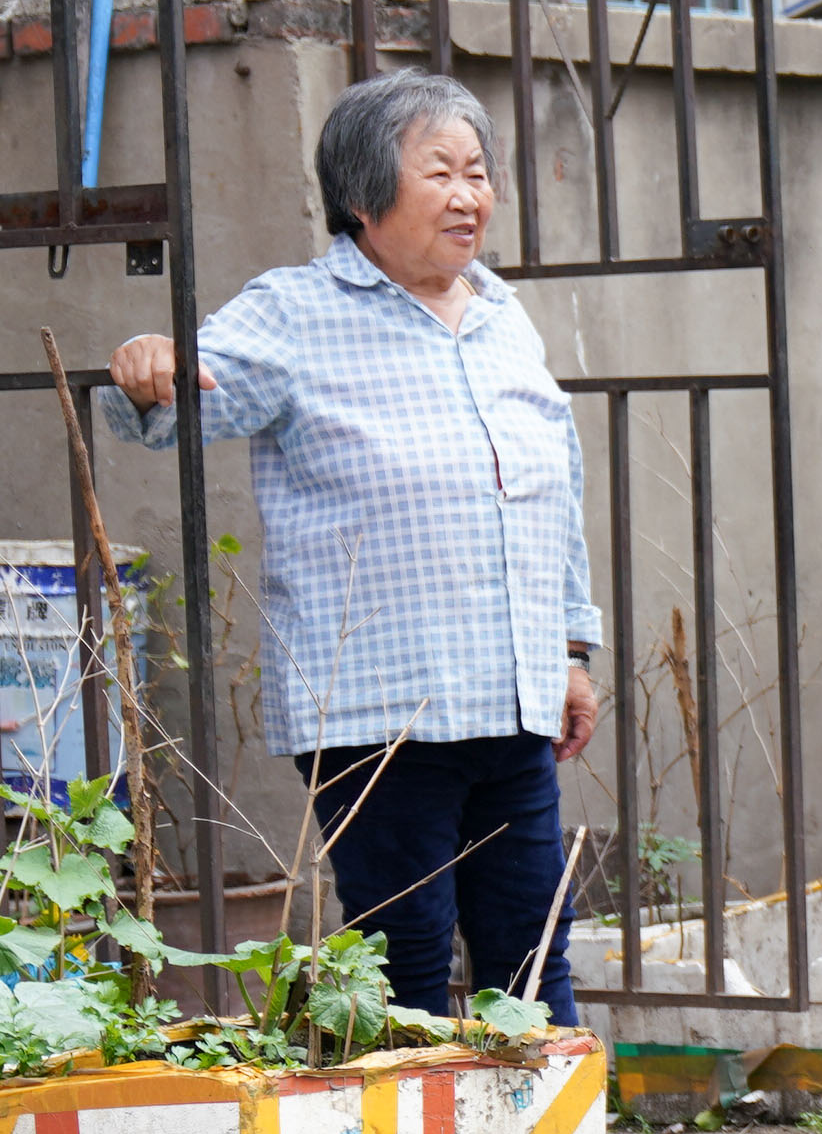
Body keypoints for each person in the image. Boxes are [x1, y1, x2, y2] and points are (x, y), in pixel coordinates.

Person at [102, 69, 604, 1027]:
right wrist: (147, 372)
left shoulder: (502, 314)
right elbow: (178, 406)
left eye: (479, 172)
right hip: (383, 714)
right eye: (441, 173)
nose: (470, 195)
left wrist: (572, 653)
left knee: (533, 943)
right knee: (400, 959)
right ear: (365, 196)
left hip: (512, 694)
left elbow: (553, 489)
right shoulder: (295, 313)